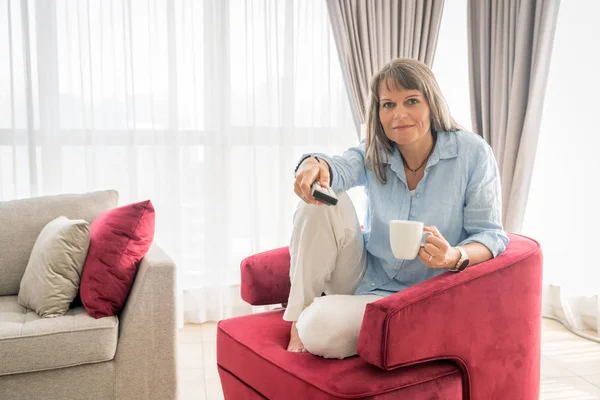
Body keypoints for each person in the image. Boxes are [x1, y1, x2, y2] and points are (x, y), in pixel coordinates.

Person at [285, 58, 509, 359]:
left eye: (412, 101)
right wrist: (315, 164)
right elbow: (340, 167)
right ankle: (297, 319)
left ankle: (326, 320)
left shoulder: (472, 153)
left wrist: (453, 256)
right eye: (388, 105)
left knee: (320, 329)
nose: (399, 114)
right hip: (364, 275)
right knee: (320, 202)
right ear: (378, 113)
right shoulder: (375, 149)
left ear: (432, 105)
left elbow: (490, 235)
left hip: (421, 294)